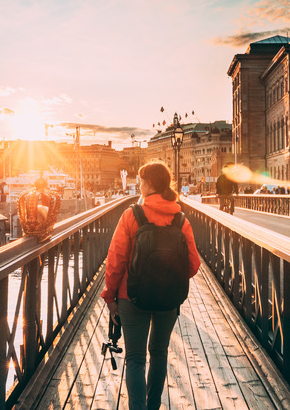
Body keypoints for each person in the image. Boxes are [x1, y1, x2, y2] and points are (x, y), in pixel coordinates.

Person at [101, 161, 200, 410]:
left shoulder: (132, 215)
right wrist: (168, 279)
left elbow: (116, 261)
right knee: (159, 353)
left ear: (149, 184)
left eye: (141, 179)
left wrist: (110, 297)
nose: (139, 184)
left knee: (135, 359)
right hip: (168, 299)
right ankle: (153, 405)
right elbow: (193, 265)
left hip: (131, 296)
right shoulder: (181, 220)